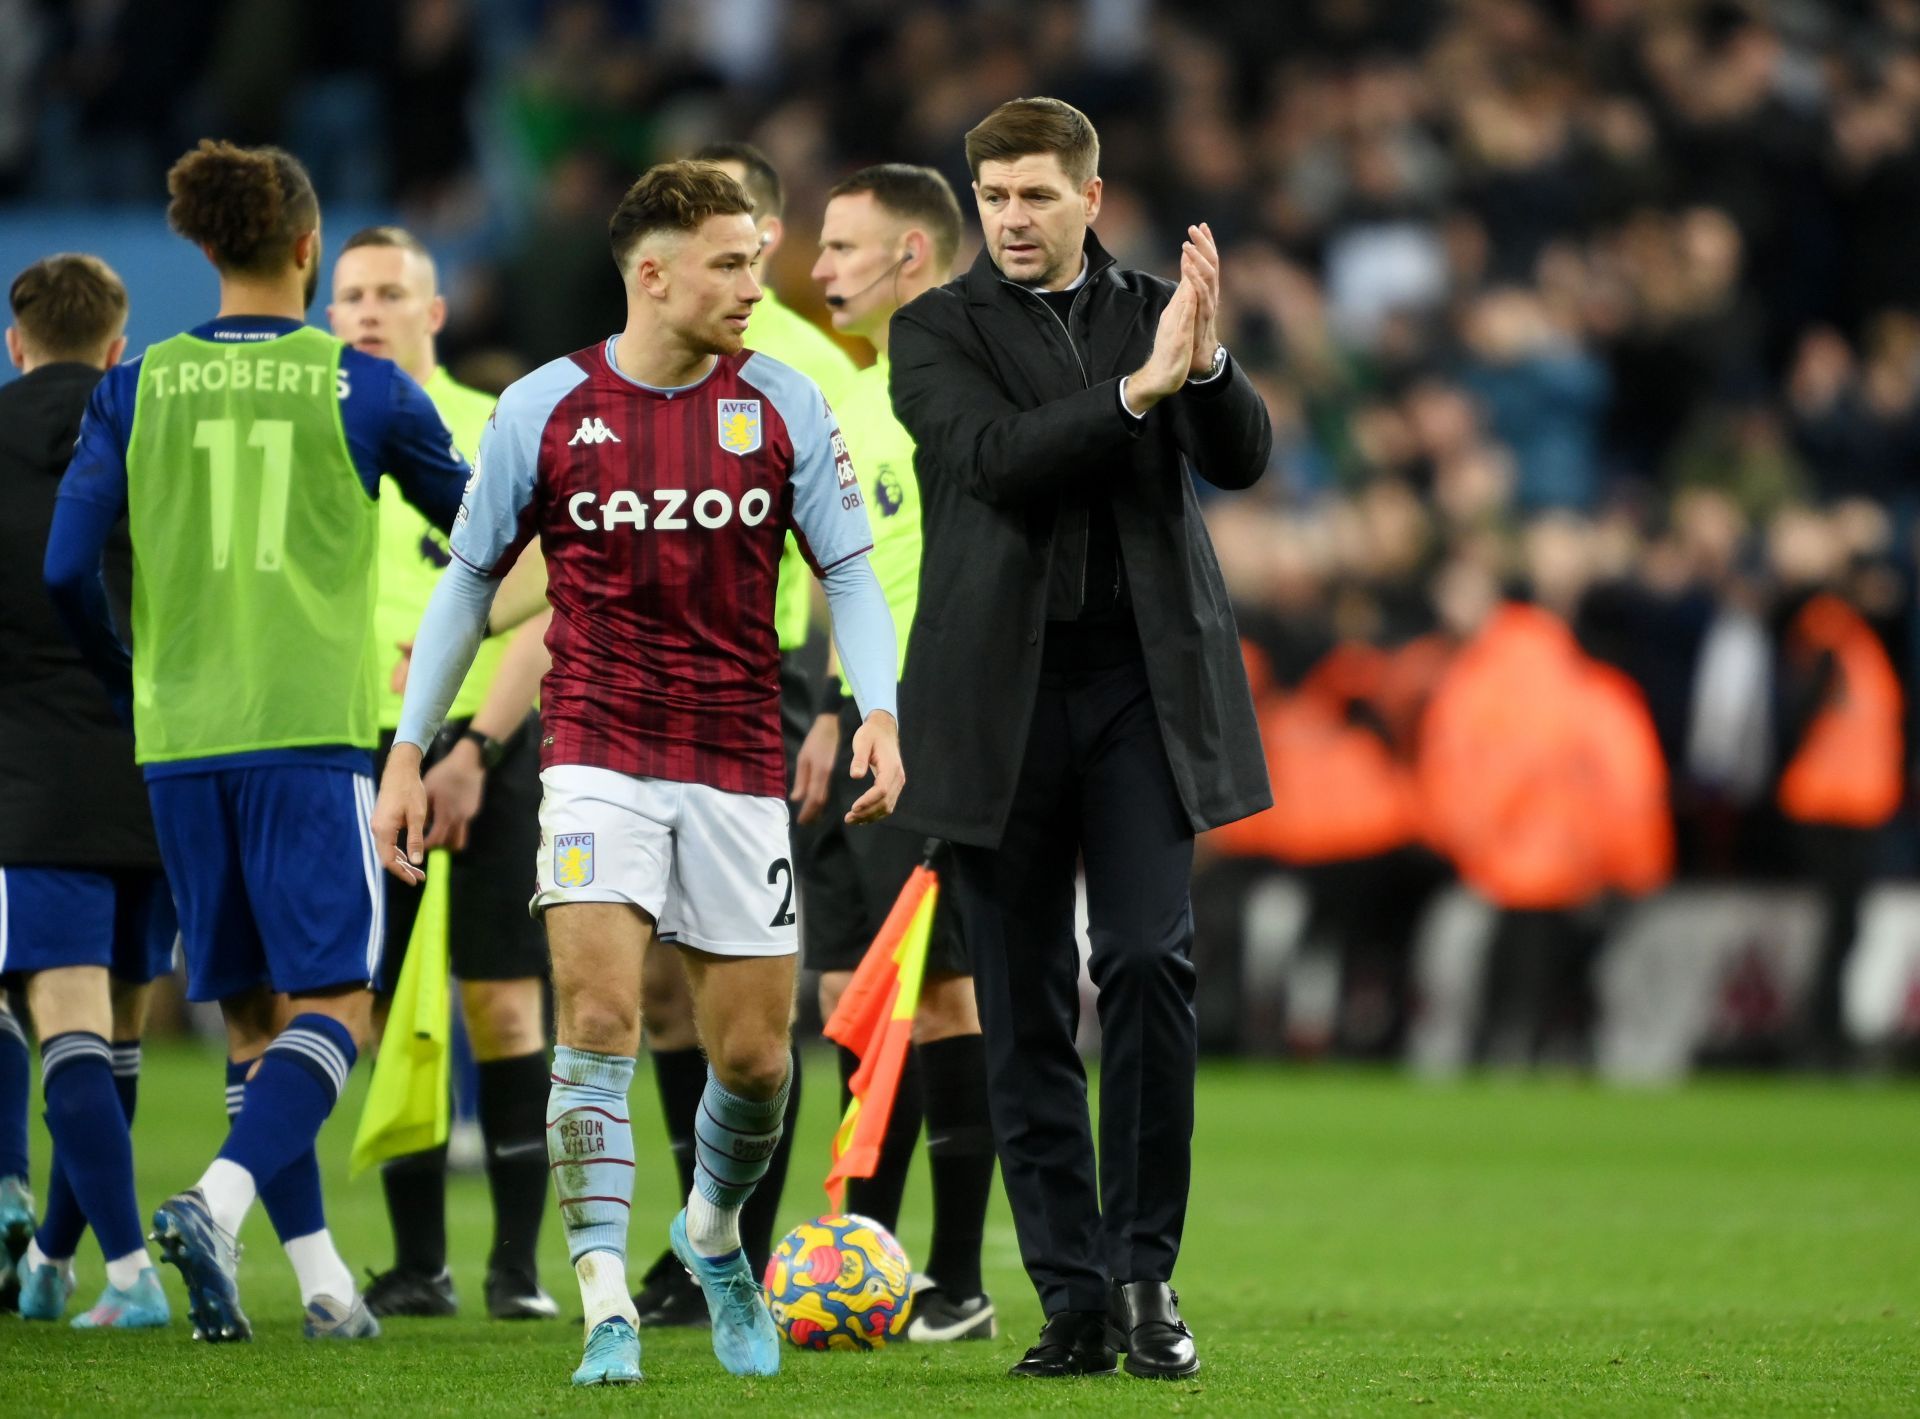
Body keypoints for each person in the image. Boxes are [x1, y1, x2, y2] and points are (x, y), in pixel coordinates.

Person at [371, 160, 904, 1388]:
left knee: (760, 1062)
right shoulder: (544, 408)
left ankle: (711, 1235)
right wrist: (413, 744)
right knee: (600, 1018)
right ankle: (604, 1291)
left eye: (757, 263)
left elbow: (854, 576)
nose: (754, 288)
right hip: (597, 750)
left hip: (736, 761)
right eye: (730, 264)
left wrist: (873, 709)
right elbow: (467, 587)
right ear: (652, 274)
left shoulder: (782, 403)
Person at [43, 140, 472, 1343]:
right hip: (310, 736)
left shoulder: (131, 389)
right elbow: (477, 538)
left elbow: (67, 568)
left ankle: (325, 1285)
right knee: (339, 1004)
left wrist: (131, 669)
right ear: (306, 248)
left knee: (245, 1017)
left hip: (178, 739)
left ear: (204, 246)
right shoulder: (367, 388)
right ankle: (218, 1201)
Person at [886, 97, 1273, 1380]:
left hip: (1137, 689)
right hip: (996, 696)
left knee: (1151, 959)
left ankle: (1145, 1274)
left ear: (1089, 199)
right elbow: (993, 458)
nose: (1010, 219)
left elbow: (1245, 458)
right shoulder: (934, 330)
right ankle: (1070, 1299)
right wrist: (1138, 390)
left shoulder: (1159, 306)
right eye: (992, 196)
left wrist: (1204, 368)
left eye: (1036, 195)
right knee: (1024, 1001)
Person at [627, 140, 859, 1326]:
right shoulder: (649, 359)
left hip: (763, 690)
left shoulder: (803, 364)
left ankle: (751, 1245)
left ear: (765, 230)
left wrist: (825, 699)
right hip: (637, 697)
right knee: (663, 992)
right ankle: (694, 1235)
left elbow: (849, 550)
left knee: (757, 995)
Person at [327, 225, 560, 1322]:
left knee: (506, 1005)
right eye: (351, 296)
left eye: (390, 293)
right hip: (352, 750)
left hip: (488, 747)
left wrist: (474, 749)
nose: (367, 311)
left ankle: (517, 1270)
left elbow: (548, 602)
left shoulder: (494, 426)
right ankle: (417, 1264)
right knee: (373, 1008)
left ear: (435, 313)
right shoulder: (315, 434)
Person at [801, 162, 997, 1341]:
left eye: (839, 246)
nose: (818, 268)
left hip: (933, 733)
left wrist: (933, 724)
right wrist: (830, 704)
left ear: (910, 255)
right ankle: (866, 1260)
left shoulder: (951, 392)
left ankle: (961, 1279)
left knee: (940, 996)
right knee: (846, 995)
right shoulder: (855, 399)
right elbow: (862, 582)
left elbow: (963, 583)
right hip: (859, 725)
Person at [0, 253, 170, 1330]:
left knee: (56, 1018)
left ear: (16, 344)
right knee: (119, 1033)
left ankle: (129, 1271)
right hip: (159, 763)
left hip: (33, 770)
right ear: (118, 346)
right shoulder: (157, 429)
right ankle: (53, 1261)